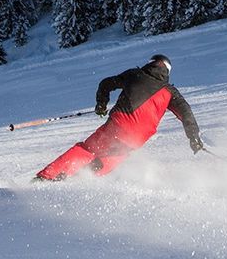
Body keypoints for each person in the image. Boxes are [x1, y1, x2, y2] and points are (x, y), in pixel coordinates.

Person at [35, 54, 203, 181]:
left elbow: (105, 84)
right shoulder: (171, 92)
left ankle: (48, 178)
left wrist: (101, 104)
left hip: (118, 125)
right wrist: (193, 137)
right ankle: (79, 180)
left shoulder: (135, 74)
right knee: (111, 158)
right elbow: (186, 113)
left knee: (87, 150)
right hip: (135, 139)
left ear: (150, 63)